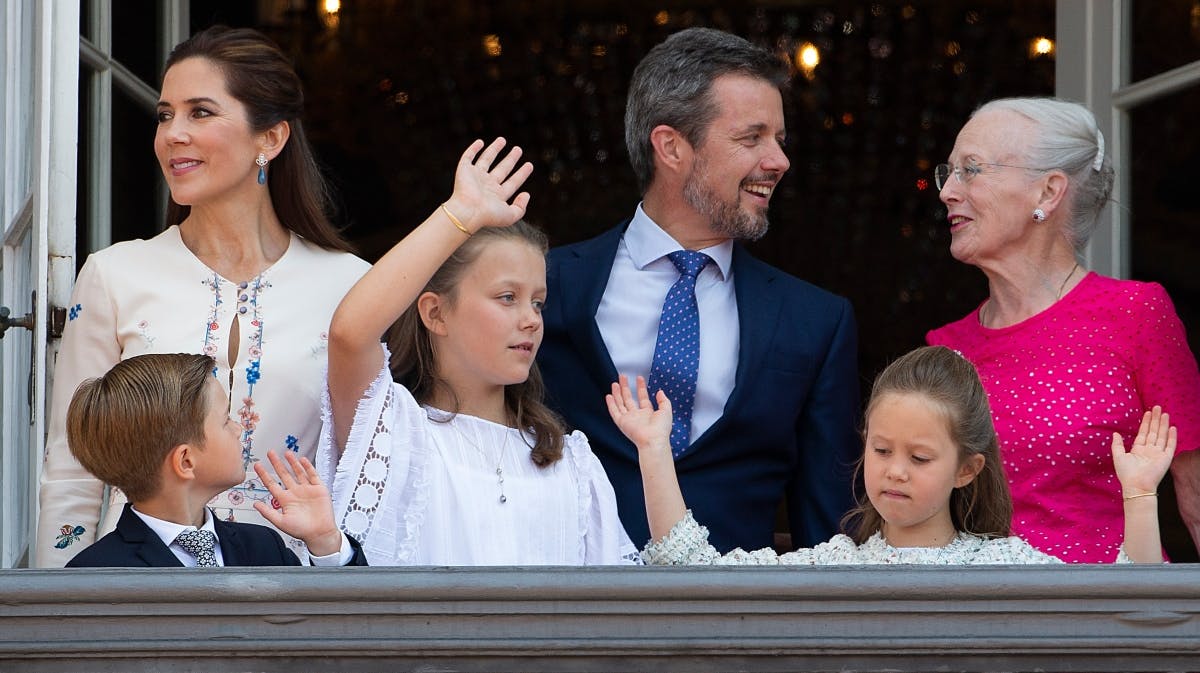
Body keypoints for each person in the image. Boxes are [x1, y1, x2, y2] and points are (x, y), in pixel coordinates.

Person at [36, 26, 370, 567]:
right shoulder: (114, 274)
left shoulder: (350, 284)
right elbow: (74, 469)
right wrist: (68, 620)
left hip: (297, 592)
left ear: (271, 139)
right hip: (137, 592)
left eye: (201, 112)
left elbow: (368, 465)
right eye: (165, 115)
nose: (173, 134)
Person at [538, 27, 860, 554]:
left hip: (738, 621)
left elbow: (827, 527)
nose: (778, 161)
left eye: (779, 140)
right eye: (751, 137)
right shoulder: (548, 286)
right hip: (567, 610)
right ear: (670, 147)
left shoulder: (816, 321)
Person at [315, 138, 638, 565]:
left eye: (538, 301)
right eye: (507, 297)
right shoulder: (393, 428)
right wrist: (459, 215)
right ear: (436, 313)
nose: (531, 319)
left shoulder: (572, 463)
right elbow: (350, 334)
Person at [926, 97, 1200, 562]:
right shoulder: (945, 349)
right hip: (989, 616)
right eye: (948, 172)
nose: (948, 191)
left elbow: (1195, 492)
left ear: (1049, 192)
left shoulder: (1136, 313)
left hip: (1110, 616)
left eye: (971, 169)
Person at [609, 346, 1174, 565]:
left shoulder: (1008, 564)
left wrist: (1142, 494)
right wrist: (654, 451)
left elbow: (1134, 605)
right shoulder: (834, 564)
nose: (895, 470)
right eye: (881, 450)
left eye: (921, 458)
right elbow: (690, 569)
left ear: (968, 469)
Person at [63, 353, 367, 568]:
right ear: (186, 462)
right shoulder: (97, 574)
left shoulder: (261, 549)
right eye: (225, 421)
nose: (239, 429)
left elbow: (332, 637)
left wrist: (325, 541)